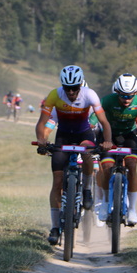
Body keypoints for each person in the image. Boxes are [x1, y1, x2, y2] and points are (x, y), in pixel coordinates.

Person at [35, 65, 113, 245]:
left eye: (74, 88)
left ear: (80, 85)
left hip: (84, 135)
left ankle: (86, 190)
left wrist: (108, 141)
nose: (70, 92)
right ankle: (55, 227)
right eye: (67, 88)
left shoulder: (89, 95)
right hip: (63, 136)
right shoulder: (54, 95)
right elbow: (42, 123)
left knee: (87, 151)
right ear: (62, 86)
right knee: (57, 182)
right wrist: (41, 139)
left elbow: (104, 122)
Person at [95, 73, 137, 226]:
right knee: (106, 167)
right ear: (117, 92)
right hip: (108, 136)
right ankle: (105, 202)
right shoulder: (107, 100)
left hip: (129, 136)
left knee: (132, 165)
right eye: (123, 95)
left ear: (135, 93)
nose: (126, 99)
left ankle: (132, 209)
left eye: (130, 96)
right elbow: (92, 121)